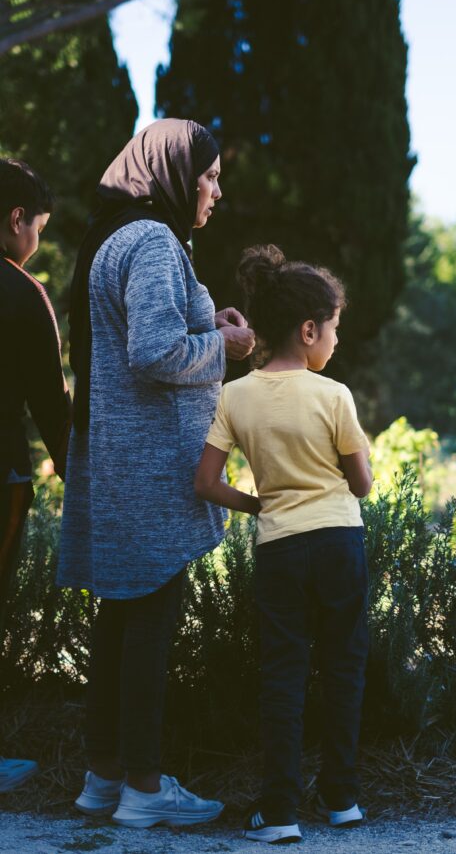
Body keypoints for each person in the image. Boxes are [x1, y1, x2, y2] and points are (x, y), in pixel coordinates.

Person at [57, 119, 256, 827]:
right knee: (148, 627)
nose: (216, 190)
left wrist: (209, 320)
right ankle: (144, 788)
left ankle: (103, 778)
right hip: (155, 469)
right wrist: (225, 344)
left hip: (118, 457)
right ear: (173, 174)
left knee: (120, 619)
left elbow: (148, 333)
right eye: (208, 176)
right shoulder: (151, 241)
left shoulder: (118, 235)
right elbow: (154, 352)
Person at [195, 244, 372, 844]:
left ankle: (279, 813)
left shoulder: (234, 396)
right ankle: (343, 799)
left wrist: (256, 503)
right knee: (344, 667)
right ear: (308, 329)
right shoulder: (335, 396)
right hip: (339, 544)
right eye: (334, 330)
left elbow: (207, 482)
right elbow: (363, 483)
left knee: (283, 677)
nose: (335, 342)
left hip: (279, 549)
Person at [0, 159, 72, 793]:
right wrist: (83, 479)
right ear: (16, 220)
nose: (37, 242)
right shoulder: (22, 294)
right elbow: (52, 403)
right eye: (39, 226)